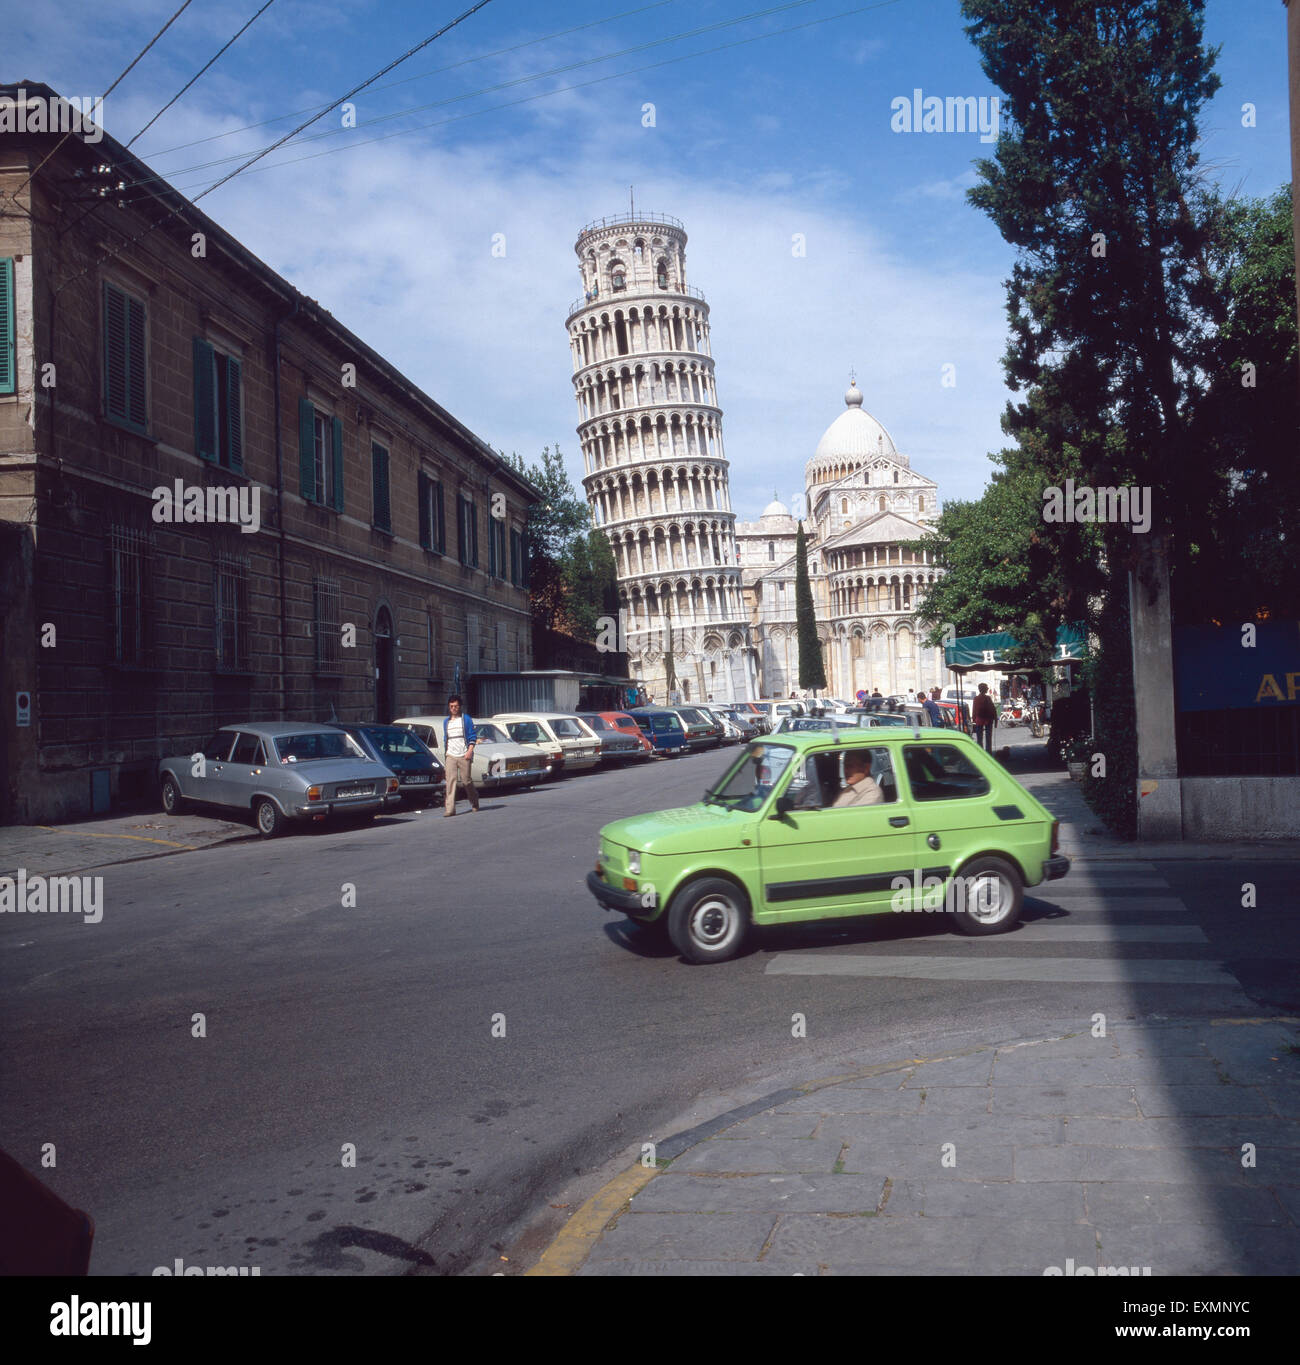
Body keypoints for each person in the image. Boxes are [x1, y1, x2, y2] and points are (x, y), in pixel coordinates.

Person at [442, 694, 480, 816]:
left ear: (460, 707)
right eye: (451, 706)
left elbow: (472, 736)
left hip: (464, 754)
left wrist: (470, 751)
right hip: (450, 755)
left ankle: (474, 801)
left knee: (466, 781)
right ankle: (450, 809)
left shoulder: (466, 719)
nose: (454, 708)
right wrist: (446, 752)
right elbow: (446, 738)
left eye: (456, 706)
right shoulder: (446, 722)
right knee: (450, 781)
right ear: (449, 707)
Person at [972, 682, 996, 752]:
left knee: (979, 738)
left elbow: (974, 710)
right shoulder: (988, 698)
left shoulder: (976, 698)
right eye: (986, 688)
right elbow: (992, 708)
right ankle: (989, 752)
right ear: (984, 689)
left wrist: (974, 719)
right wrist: (995, 719)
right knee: (988, 737)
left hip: (979, 720)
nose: (988, 689)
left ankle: (981, 752)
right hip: (988, 720)